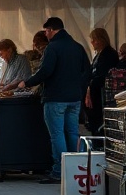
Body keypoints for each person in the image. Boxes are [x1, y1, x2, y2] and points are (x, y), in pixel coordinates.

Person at [17, 16, 89, 184]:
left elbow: (46, 71)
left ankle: (59, 170)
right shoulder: (78, 47)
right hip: (74, 98)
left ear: (51, 30)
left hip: (55, 98)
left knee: (57, 135)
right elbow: (87, 70)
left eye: (46, 31)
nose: (46, 35)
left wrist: (26, 83)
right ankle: (76, 168)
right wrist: (80, 89)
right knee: (72, 132)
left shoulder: (53, 48)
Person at [82, 27, 118, 135]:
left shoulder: (109, 54)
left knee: (98, 119)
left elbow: (103, 74)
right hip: (95, 91)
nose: (92, 42)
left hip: (102, 93)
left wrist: (91, 85)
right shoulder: (99, 54)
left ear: (101, 40)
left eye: (94, 39)